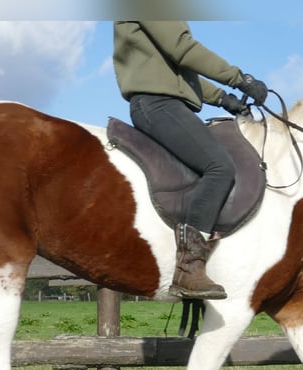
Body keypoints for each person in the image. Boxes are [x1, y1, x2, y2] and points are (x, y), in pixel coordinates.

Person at [113, 21, 268, 300]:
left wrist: (223, 98)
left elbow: (179, 72)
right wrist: (239, 79)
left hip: (169, 103)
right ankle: (189, 268)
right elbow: (183, 50)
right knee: (219, 168)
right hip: (158, 104)